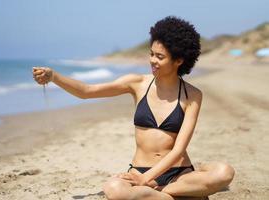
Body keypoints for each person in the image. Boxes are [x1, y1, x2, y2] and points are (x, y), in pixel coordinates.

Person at [32, 16, 235, 200]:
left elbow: (179, 149)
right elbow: (87, 91)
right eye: (151, 54)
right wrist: (53, 77)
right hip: (139, 169)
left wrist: (145, 181)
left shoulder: (192, 95)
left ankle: (162, 192)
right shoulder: (137, 83)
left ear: (179, 60)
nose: (153, 61)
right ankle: (175, 196)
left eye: (160, 57)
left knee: (224, 172)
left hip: (178, 173)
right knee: (114, 189)